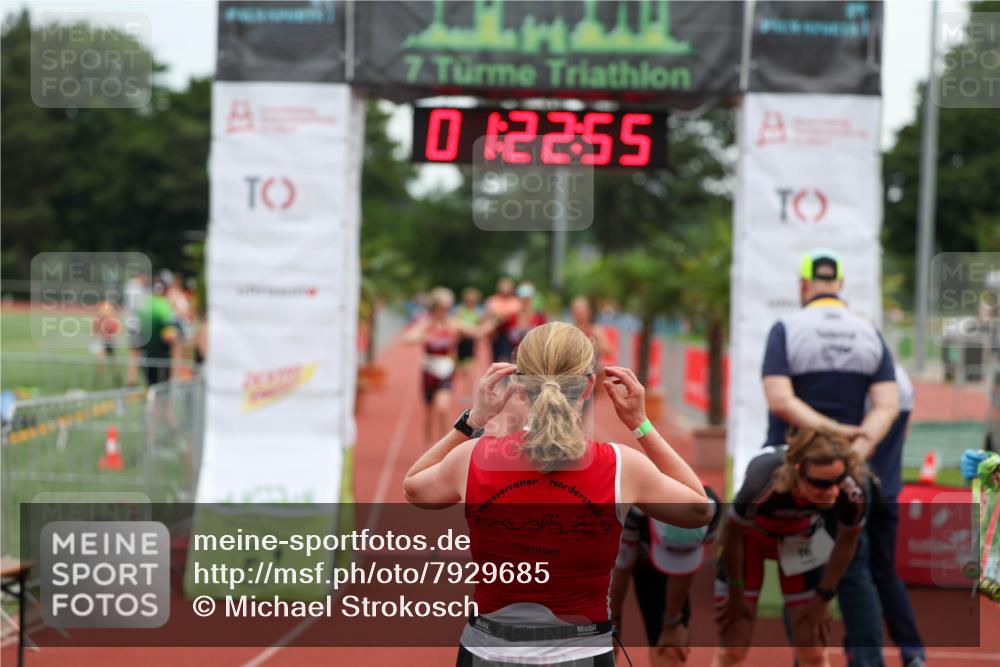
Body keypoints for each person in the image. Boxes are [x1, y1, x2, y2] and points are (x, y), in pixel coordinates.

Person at [402, 322, 712, 666]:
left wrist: (472, 420)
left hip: (487, 652)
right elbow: (699, 511)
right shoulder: (622, 466)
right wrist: (640, 423)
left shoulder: (472, 457)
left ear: (519, 388)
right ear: (589, 387)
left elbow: (415, 486)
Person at [762, 248, 899, 667]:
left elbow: (780, 399)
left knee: (797, 572)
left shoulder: (787, 327)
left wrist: (827, 436)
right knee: (856, 573)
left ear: (804, 285)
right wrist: (854, 452)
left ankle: (807, 660)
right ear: (838, 285)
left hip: (797, 472)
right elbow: (887, 405)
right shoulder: (868, 331)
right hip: (850, 471)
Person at [713, 428, 868, 667]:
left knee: (814, 653)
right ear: (797, 472)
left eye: (838, 481)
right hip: (750, 542)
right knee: (734, 647)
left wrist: (823, 598)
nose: (832, 492)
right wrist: (736, 593)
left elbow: (847, 542)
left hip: (800, 541)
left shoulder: (853, 489)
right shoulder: (763, 481)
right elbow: (731, 537)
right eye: (820, 483)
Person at [609, 487, 721, 667]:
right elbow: (621, 565)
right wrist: (612, 622)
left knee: (670, 650)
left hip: (658, 562)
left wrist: (672, 622)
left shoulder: (710, 510)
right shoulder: (633, 508)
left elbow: (683, 571)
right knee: (601, 643)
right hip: (626, 552)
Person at [864, 364, 926, 667]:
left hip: (859, 494)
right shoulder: (901, 382)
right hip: (887, 492)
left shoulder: (866, 385)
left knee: (853, 578)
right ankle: (912, 651)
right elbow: (905, 432)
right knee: (884, 574)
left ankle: (863, 654)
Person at [405, 287, 480, 445]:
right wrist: (422, 336)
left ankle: (444, 446)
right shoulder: (426, 323)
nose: (444, 311)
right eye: (441, 307)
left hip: (445, 370)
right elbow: (408, 338)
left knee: (443, 408)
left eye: (447, 307)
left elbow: (476, 332)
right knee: (429, 413)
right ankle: (428, 446)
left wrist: (493, 322)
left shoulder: (453, 324)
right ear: (434, 308)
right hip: (429, 370)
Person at [455, 287, 485, 405]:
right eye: (468, 300)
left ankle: (468, 394)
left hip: (471, 344)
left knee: (469, 370)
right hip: (461, 344)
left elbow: (480, 329)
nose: (470, 302)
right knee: (462, 371)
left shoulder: (478, 313)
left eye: (473, 300)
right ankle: (465, 392)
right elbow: (457, 327)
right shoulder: (460, 311)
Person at [502, 282, 547, 357]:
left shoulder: (540, 318)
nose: (525, 301)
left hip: (534, 358)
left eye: (527, 297)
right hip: (514, 358)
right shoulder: (510, 317)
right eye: (523, 297)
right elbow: (503, 339)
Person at [484, 277, 521, 363]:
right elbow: (489, 316)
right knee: (495, 357)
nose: (505, 289)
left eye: (507, 286)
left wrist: (500, 316)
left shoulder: (516, 301)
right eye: (503, 286)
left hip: (510, 335)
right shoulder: (492, 300)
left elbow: (514, 315)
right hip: (495, 334)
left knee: (508, 358)